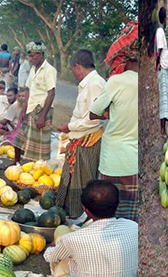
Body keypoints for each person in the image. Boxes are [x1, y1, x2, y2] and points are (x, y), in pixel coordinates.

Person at [43, 180, 138, 277]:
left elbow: (49, 257)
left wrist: (55, 244)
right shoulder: (134, 228)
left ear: (85, 210)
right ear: (118, 203)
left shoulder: (73, 239)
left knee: (62, 259)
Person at [89, 20, 139, 223]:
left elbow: (93, 113)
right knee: (132, 218)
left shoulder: (117, 81)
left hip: (114, 162)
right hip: (134, 162)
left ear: (125, 56)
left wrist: (108, 114)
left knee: (109, 217)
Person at [55, 49, 106, 218]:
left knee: (82, 181)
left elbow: (94, 118)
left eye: (72, 70)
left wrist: (70, 126)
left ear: (77, 67)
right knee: (72, 181)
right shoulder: (88, 83)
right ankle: (69, 213)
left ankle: (80, 216)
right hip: (79, 138)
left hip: (87, 140)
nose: (73, 73)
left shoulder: (95, 84)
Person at [15, 41, 56, 161]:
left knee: (37, 147)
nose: (30, 58)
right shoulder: (33, 69)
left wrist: (42, 116)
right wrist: (23, 110)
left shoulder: (49, 70)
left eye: (33, 55)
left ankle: (36, 170)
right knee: (19, 140)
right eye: (29, 55)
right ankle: (15, 164)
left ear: (41, 55)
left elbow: (51, 93)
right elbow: (29, 90)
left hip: (41, 110)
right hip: (30, 109)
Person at [156, 7, 168, 136]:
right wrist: (157, 64)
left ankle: (166, 127)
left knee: (166, 98)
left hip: (165, 67)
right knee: (164, 99)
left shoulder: (161, 31)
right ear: (163, 19)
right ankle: (162, 130)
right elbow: (159, 50)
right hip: (163, 68)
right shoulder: (160, 32)